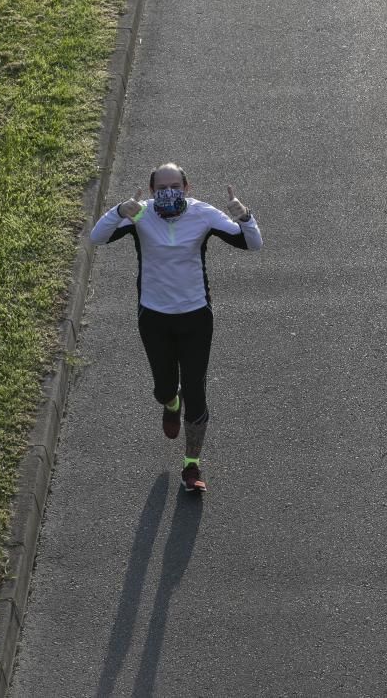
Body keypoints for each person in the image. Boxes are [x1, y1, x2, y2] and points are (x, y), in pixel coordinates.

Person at [90, 162, 262, 492]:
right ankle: (170, 401)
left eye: (175, 186)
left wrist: (245, 216)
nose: (169, 191)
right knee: (165, 385)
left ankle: (191, 466)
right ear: (152, 192)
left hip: (196, 316)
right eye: (161, 187)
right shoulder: (140, 214)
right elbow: (97, 238)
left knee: (196, 389)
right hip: (154, 317)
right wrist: (118, 212)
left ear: (187, 188)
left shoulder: (204, 214)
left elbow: (252, 244)